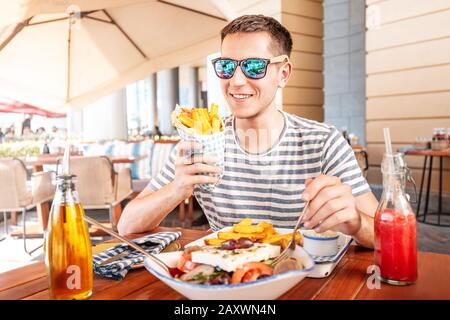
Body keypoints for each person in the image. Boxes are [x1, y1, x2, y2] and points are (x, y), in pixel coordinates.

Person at [118, 15, 379, 248]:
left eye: (254, 66)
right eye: (227, 67)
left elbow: (384, 235)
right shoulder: (202, 142)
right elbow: (127, 225)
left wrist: (355, 222)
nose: (237, 81)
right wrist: (176, 189)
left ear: (284, 73)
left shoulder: (323, 143)